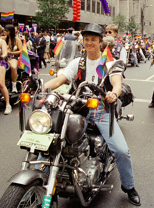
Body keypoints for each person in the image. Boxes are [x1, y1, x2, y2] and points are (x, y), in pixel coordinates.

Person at [44, 23, 141, 206]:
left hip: (101, 111)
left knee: (121, 151)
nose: (89, 43)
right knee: (51, 139)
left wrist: (114, 93)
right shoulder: (77, 62)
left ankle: (129, 187)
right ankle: (44, 177)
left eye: (93, 40)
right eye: (86, 39)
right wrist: (42, 87)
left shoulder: (109, 63)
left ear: (100, 41)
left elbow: (117, 83)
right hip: (77, 110)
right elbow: (59, 80)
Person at [4, 24, 22, 93]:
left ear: (10, 31)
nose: (5, 32)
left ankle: (14, 85)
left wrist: (10, 53)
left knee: (13, 67)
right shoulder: (3, 39)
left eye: (6, 30)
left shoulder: (17, 40)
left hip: (13, 57)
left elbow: (20, 51)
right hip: (4, 57)